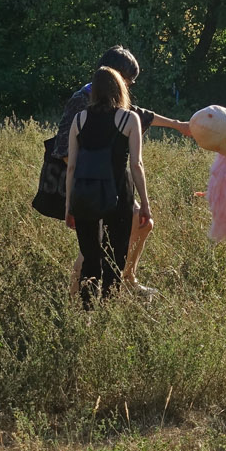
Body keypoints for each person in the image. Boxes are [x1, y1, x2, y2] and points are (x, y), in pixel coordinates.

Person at [51, 46, 186, 297]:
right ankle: (75, 298)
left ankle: (127, 279)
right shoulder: (81, 101)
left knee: (141, 225)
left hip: (109, 183)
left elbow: (142, 115)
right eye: (129, 80)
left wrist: (179, 126)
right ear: (117, 76)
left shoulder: (111, 102)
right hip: (85, 184)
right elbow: (66, 151)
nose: (129, 86)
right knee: (92, 249)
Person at [63, 66, 150, 307]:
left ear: (95, 91)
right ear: (120, 89)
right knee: (115, 259)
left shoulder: (79, 119)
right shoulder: (129, 118)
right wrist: (145, 204)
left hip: (85, 195)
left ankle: (87, 313)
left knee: (91, 259)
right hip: (119, 194)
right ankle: (108, 312)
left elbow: (71, 167)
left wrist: (69, 205)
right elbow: (136, 164)